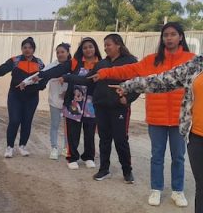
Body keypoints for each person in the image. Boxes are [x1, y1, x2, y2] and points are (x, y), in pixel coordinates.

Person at [92, 22, 194, 207]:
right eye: (165, 35)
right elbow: (128, 70)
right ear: (162, 39)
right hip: (157, 117)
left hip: (181, 118)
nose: (169, 38)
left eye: (173, 34)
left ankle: (177, 191)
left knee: (178, 156)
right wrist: (105, 72)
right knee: (157, 156)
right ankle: (156, 189)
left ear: (181, 37)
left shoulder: (191, 60)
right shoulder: (151, 60)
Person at [110, 54, 203, 213]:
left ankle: (177, 190)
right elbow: (163, 80)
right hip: (198, 138)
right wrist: (129, 85)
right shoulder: (197, 64)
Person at [64, 34, 139, 183]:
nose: (105, 48)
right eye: (104, 45)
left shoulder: (130, 62)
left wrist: (128, 99)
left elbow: (138, 84)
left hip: (119, 108)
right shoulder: (102, 64)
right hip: (101, 107)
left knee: (120, 140)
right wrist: (67, 77)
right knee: (104, 139)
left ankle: (127, 171)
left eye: (108, 45)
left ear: (118, 45)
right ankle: (104, 169)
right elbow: (87, 80)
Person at [18, 37, 102, 170]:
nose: (88, 50)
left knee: (89, 131)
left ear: (95, 48)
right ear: (81, 50)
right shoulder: (75, 63)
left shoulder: (101, 64)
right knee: (73, 131)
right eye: (85, 47)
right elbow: (53, 71)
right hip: (75, 102)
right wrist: (37, 77)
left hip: (91, 104)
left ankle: (89, 157)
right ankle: (72, 157)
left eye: (90, 47)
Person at [0, 37, 44, 158]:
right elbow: (1, 70)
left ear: (34, 49)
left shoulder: (39, 63)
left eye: (30, 48)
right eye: (25, 47)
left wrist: (40, 86)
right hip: (15, 96)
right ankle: (9, 147)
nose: (27, 50)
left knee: (27, 122)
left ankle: (22, 146)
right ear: (22, 49)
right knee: (15, 120)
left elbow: (45, 79)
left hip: (32, 98)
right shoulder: (15, 60)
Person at [44, 42, 71, 160]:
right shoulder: (51, 67)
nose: (60, 54)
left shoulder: (73, 66)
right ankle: (54, 148)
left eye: (62, 52)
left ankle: (67, 148)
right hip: (54, 100)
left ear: (68, 53)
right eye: (58, 52)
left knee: (68, 126)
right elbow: (41, 76)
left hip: (69, 101)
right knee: (54, 125)